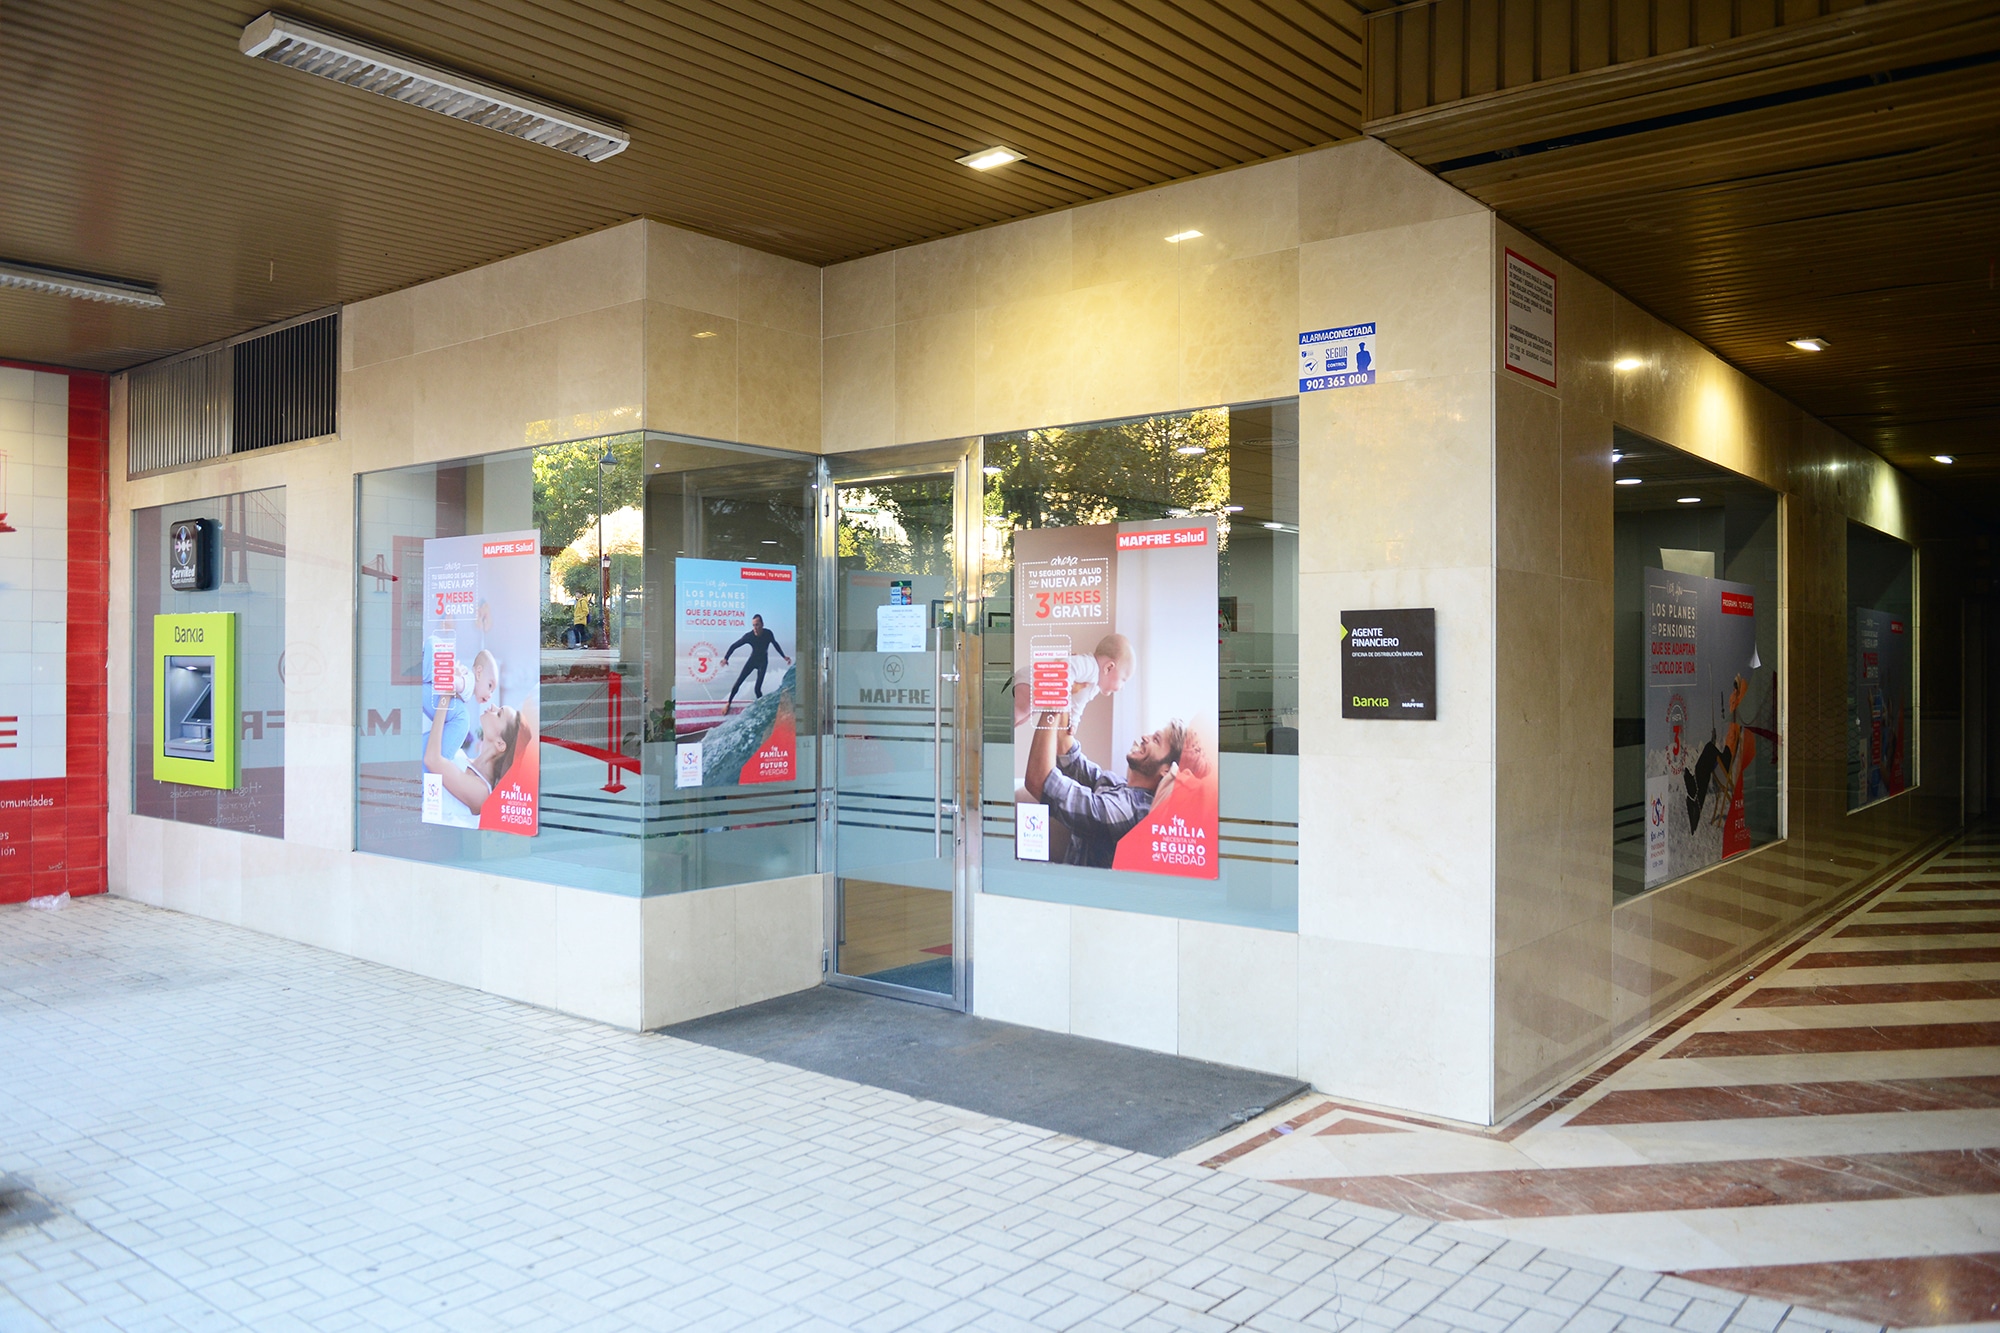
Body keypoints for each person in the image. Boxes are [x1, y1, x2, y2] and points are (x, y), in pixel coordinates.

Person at [1023, 709, 1186, 867]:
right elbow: (1068, 754)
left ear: (1167, 770)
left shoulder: (1128, 811)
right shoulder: (1119, 785)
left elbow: (1039, 781)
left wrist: (1051, 709)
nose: (1145, 737)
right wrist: (1062, 698)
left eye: (1156, 740)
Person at [425, 688, 524, 825]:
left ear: (500, 744)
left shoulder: (482, 792)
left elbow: (432, 760)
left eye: (499, 714)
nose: (493, 706)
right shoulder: (464, 758)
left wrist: (445, 697)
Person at [1011, 633, 1135, 731]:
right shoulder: (1090, 666)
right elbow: (1066, 666)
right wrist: (1060, 695)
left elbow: (1078, 703)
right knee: (1018, 713)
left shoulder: (1093, 687)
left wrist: (1073, 722)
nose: (1122, 687)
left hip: (1038, 692)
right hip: (1032, 681)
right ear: (1109, 667)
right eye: (1123, 680)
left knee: (1021, 719)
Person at [1686, 673, 1748, 833]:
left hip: (1727, 762)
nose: (1733, 692)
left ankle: (1696, 795)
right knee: (1706, 758)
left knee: (1708, 750)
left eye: (1735, 689)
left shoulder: (1738, 716)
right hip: (1725, 758)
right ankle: (1696, 797)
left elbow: (1740, 697)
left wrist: (1739, 687)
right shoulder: (1735, 718)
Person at [722, 613, 792, 711]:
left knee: (757, 689)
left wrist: (784, 656)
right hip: (752, 661)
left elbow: (775, 644)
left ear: (762, 624)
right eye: (753, 625)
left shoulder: (768, 633)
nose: (755, 628)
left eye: (757, 625)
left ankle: (762, 709)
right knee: (738, 682)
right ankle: (728, 703)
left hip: (763, 662)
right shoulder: (749, 636)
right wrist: (726, 658)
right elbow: (734, 646)